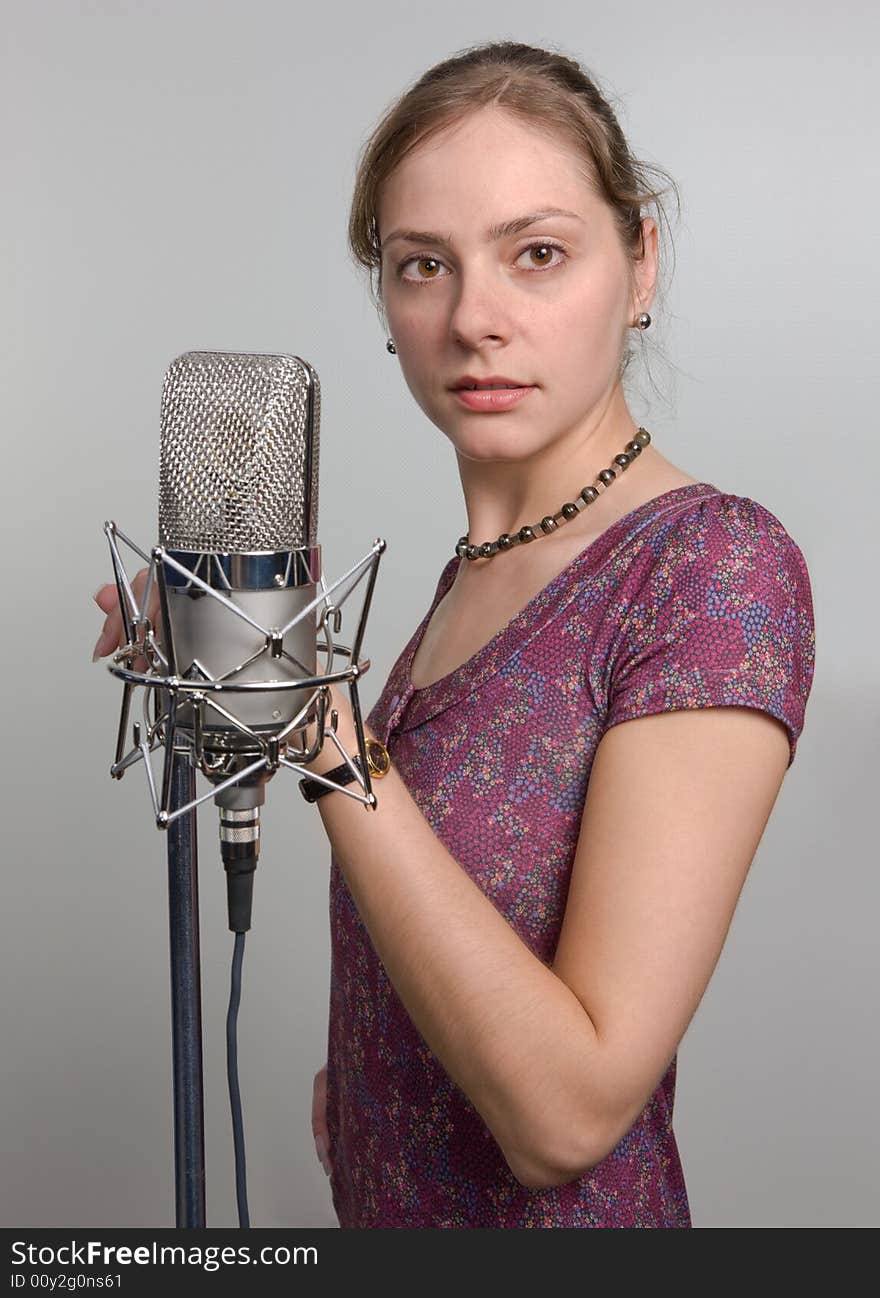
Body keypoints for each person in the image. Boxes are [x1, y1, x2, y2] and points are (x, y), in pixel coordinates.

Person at [93, 41, 816, 1228]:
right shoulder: (467, 577)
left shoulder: (710, 570)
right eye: (423, 264)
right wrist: (377, 1086)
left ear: (640, 262)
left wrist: (314, 715)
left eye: (537, 254)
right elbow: (456, 920)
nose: (474, 318)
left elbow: (565, 1117)